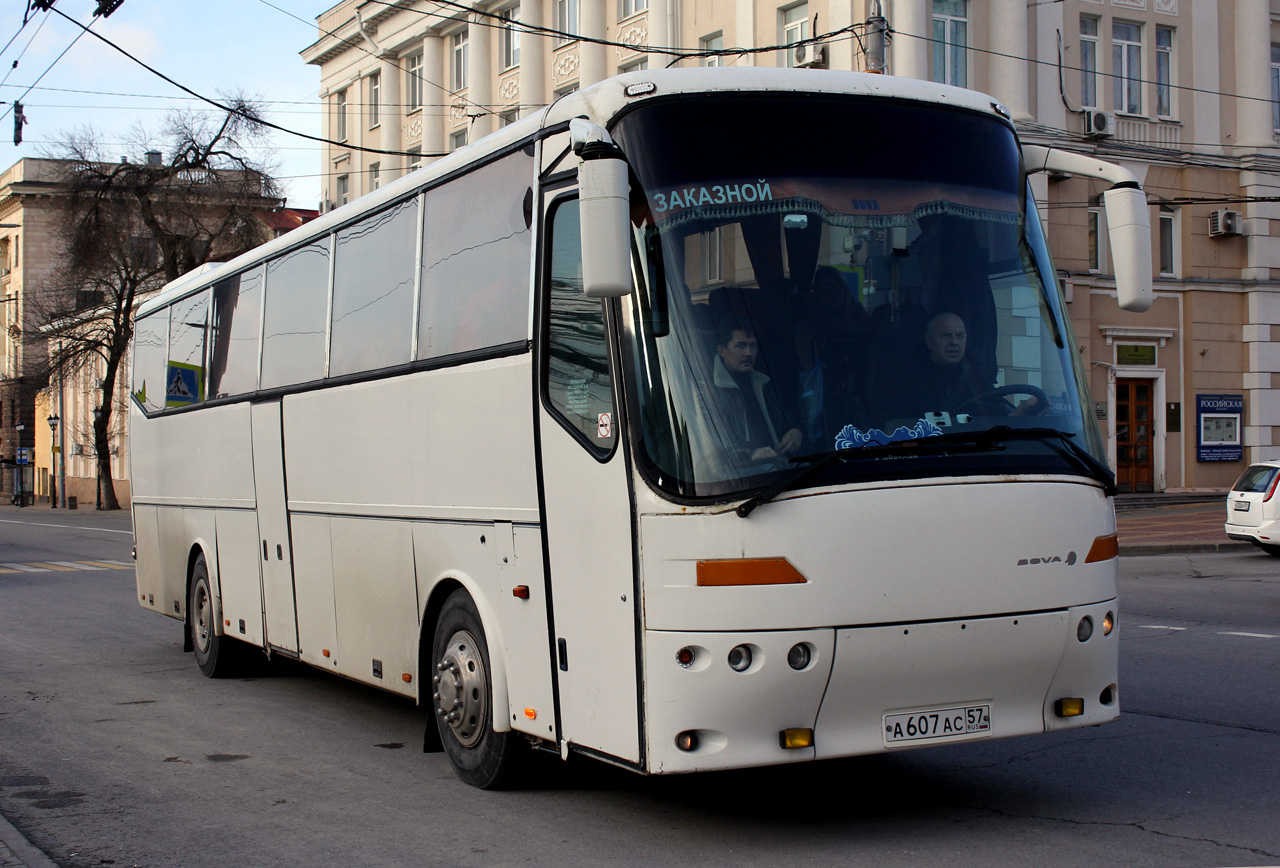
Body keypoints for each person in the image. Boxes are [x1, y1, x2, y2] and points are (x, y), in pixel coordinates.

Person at [709, 318, 803, 463]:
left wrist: (795, 432)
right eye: (740, 346)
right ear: (722, 351)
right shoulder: (708, 389)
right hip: (737, 478)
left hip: (779, 468)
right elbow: (712, 445)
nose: (748, 352)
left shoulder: (764, 382)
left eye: (752, 346)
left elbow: (786, 418)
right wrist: (750, 455)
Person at [912, 312, 1038, 418]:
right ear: (929, 340)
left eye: (960, 336)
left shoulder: (976, 379)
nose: (954, 342)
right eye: (946, 336)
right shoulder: (911, 380)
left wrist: (1023, 411)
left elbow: (1001, 420)